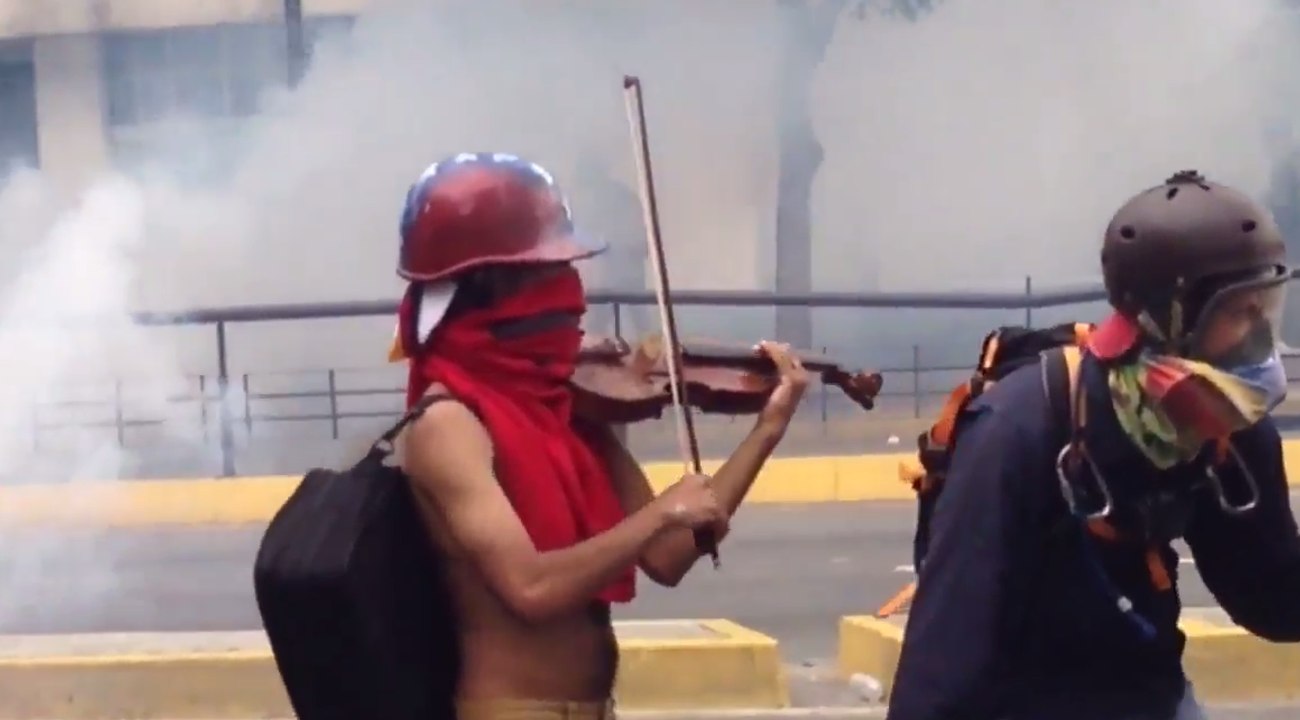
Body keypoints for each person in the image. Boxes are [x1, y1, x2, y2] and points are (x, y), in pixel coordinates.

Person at [388, 152, 810, 720]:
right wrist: (661, 512)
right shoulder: (450, 425)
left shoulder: (567, 406)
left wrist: (767, 429)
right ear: (491, 289)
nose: (572, 295)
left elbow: (669, 556)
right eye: (548, 275)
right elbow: (530, 589)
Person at [886, 170, 1300, 720]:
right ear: (1169, 318)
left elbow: (1274, 601)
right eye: (1238, 312)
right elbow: (942, 665)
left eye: (1264, 309)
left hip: (1145, 691)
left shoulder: (1226, 428)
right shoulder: (1019, 431)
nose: (1258, 338)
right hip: (1014, 702)